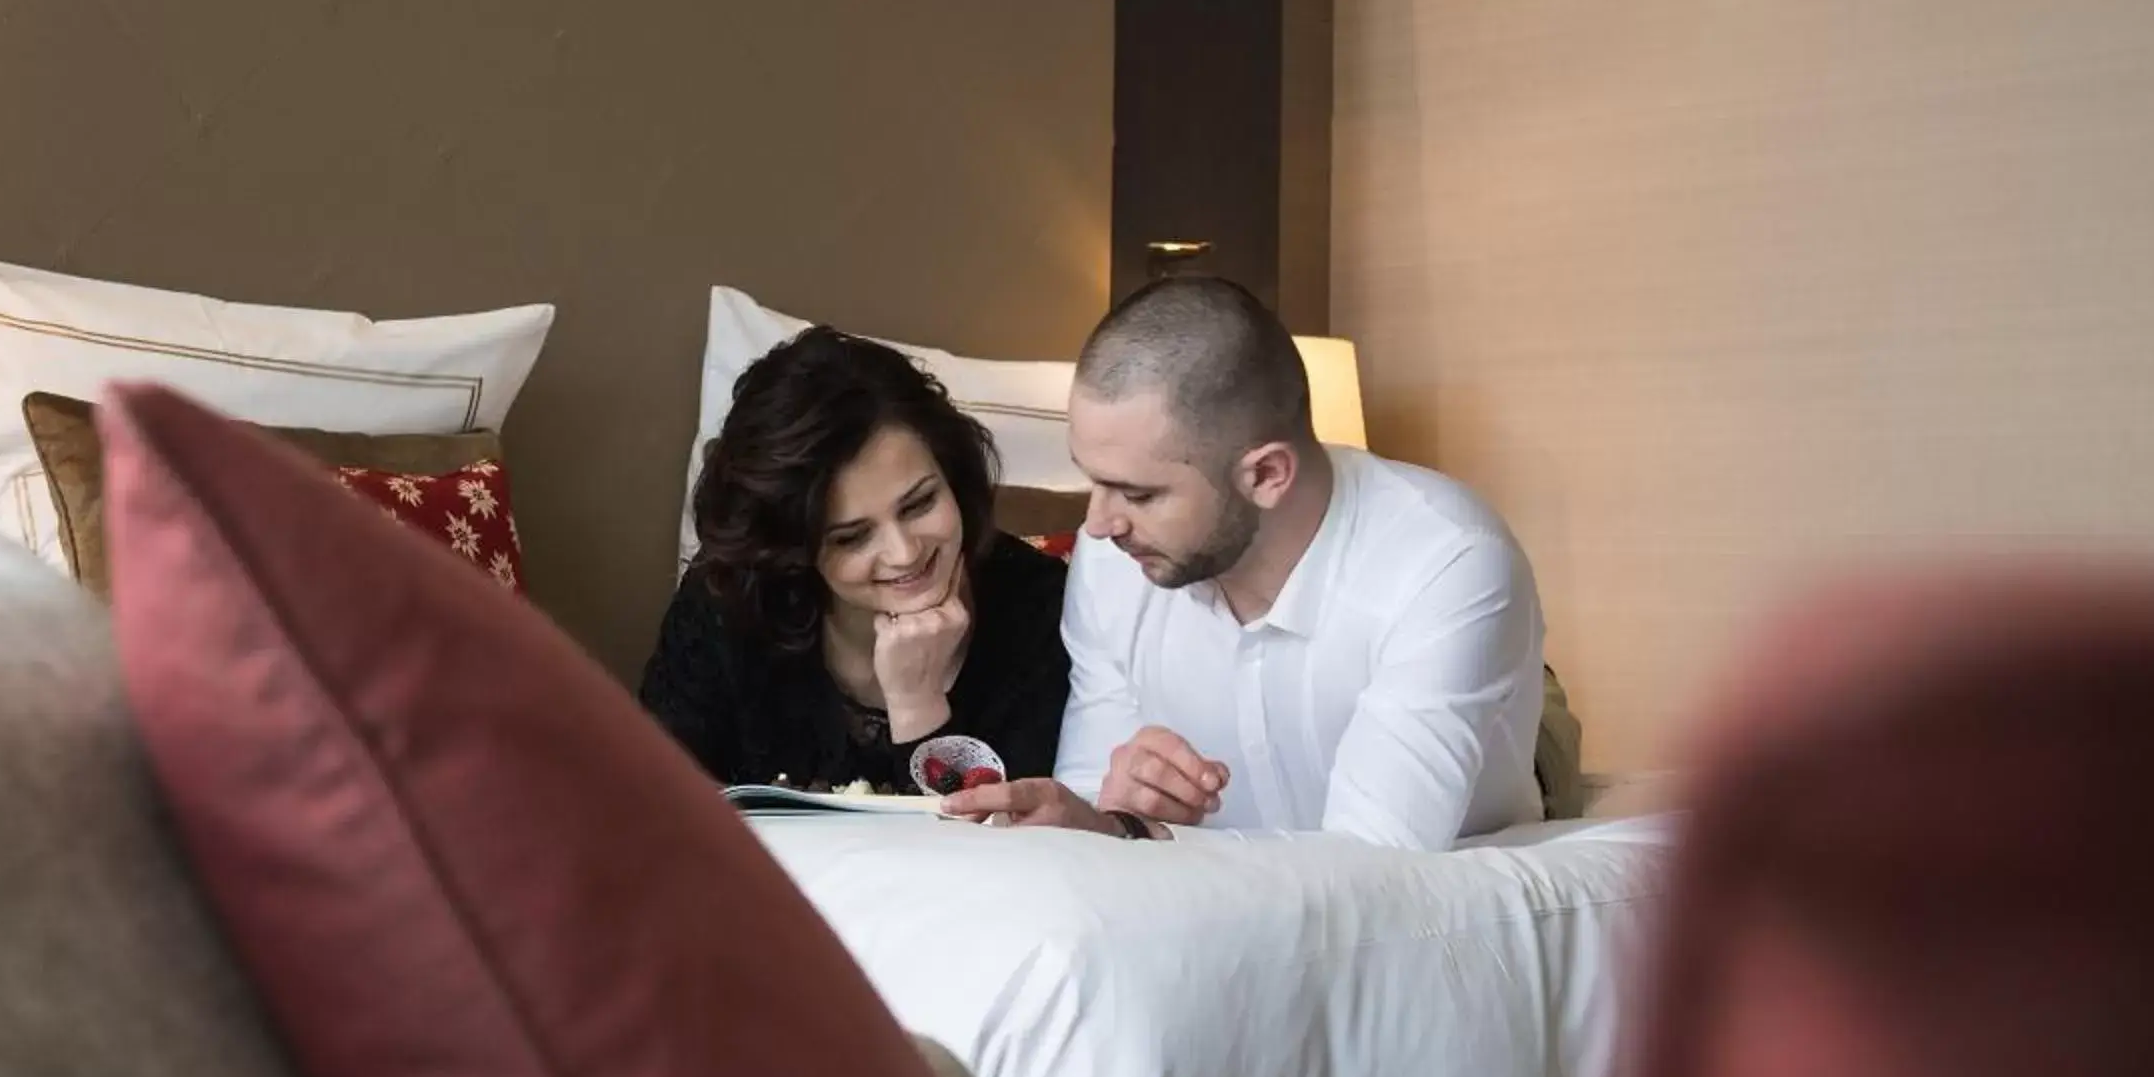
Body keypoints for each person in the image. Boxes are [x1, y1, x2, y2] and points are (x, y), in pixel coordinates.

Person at [947, 277, 1545, 848]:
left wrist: (1153, 839)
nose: (1099, 525)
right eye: (1093, 482)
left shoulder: (1445, 559)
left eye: (1139, 494)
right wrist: (1113, 820)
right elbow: (1093, 810)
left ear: (1266, 474)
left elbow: (1374, 868)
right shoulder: (1109, 565)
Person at [640, 327, 1070, 793]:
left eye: (920, 503)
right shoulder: (729, 604)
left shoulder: (1042, 608)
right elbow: (648, 808)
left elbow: (1010, 851)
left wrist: (917, 704)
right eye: (852, 537)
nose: (904, 553)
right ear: (793, 548)